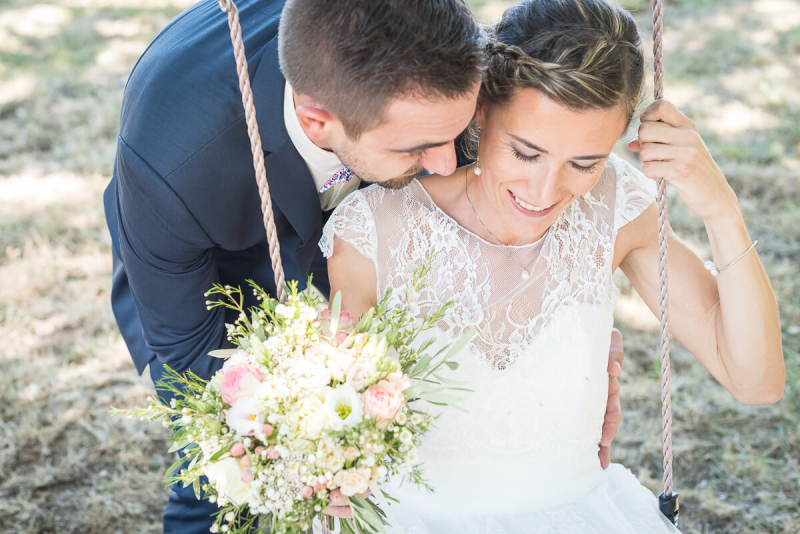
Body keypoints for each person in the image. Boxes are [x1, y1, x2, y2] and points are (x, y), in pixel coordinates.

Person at [103, 1, 626, 532]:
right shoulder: (173, 164)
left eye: (455, 131)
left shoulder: (441, 58)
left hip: (370, 229)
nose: (448, 163)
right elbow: (191, 349)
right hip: (224, 257)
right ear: (318, 121)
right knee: (221, 475)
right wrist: (292, 436)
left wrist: (565, 352)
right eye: (421, 146)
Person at [322, 0, 786, 531]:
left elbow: (756, 381)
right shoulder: (374, 230)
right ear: (480, 108)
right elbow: (335, 414)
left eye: (584, 163)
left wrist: (721, 209)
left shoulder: (615, 203)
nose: (544, 193)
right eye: (525, 153)